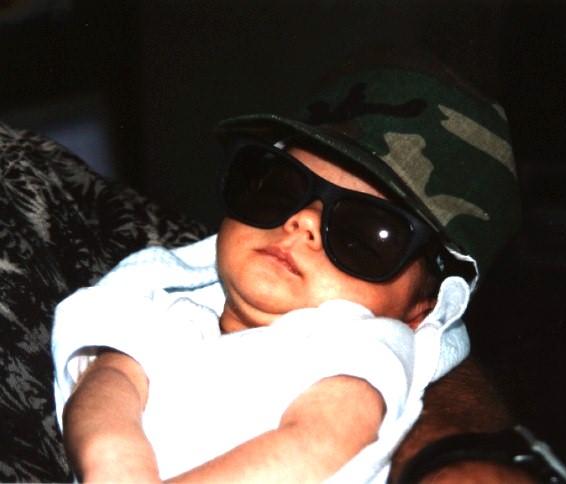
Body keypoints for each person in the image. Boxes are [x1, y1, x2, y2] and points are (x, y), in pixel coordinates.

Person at [52, 46, 525, 482]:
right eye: (281, 188)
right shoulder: (172, 313)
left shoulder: (358, 348)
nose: (302, 221)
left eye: (364, 234)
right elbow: (106, 383)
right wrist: (114, 461)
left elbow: (319, 441)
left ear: (423, 309)